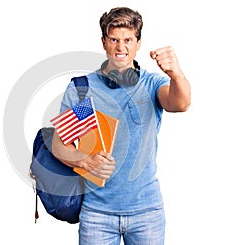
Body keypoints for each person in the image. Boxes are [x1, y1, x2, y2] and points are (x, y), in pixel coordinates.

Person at [52, 7, 191, 245]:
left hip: (147, 213)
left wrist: (176, 75)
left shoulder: (151, 85)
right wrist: (84, 161)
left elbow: (180, 103)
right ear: (104, 42)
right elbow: (59, 145)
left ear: (138, 43)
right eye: (114, 40)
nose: (121, 47)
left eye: (128, 40)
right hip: (97, 214)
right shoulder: (85, 90)